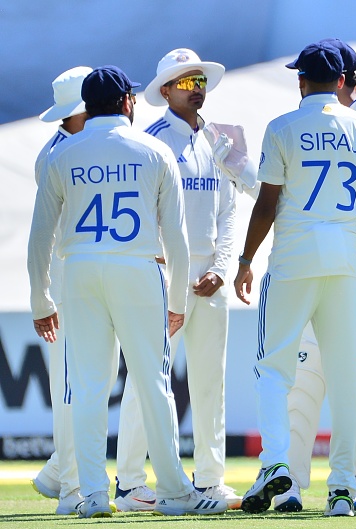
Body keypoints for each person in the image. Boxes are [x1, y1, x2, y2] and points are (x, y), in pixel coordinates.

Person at [27, 65, 227, 518]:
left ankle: (93, 494)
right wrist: (177, 302)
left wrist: (42, 301)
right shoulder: (154, 149)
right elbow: (174, 238)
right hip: (136, 269)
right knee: (154, 383)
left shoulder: (63, 153)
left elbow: (40, 238)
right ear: (126, 102)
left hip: (79, 272)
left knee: (89, 386)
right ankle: (176, 491)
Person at [234, 41, 356, 517]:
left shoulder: (283, 126)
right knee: (345, 375)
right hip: (343, 261)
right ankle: (344, 487)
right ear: (343, 81)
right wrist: (349, 232)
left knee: (273, 369)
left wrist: (245, 259)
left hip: (293, 257)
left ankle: (276, 465)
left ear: (301, 80)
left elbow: (267, 205)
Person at [114, 47, 250, 511]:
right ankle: (130, 483)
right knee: (148, 380)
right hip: (163, 273)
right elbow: (143, 214)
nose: (197, 90)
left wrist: (221, 267)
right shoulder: (152, 141)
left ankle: (210, 479)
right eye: (186, 83)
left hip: (209, 276)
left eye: (200, 82)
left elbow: (230, 210)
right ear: (165, 90)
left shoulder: (217, 140)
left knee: (212, 381)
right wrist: (163, 268)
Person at [30, 66, 91, 516]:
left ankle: (58, 470)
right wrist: (43, 295)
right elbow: (43, 235)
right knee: (72, 388)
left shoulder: (69, 146)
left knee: (91, 383)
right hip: (69, 285)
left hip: (88, 280)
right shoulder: (55, 156)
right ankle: (71, 488)